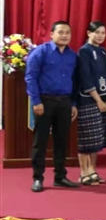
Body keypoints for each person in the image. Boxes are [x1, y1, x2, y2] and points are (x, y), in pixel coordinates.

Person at [25, 21, 79, 192]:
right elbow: (30, 77)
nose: (64, 35)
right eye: (61, 32)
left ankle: (60, 176)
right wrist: (36, 101)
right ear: (51, 34)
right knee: (40, 141)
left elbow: (75, 81)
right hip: (44, 102)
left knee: (61, 141)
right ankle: (37, 178)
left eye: (67, 32)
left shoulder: (72, 55)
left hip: (65, 102)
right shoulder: (40, 52)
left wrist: (73, 103)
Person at [76, 21, 106, 186]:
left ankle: (92, 170)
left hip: (103, 100)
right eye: (97, 32)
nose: (100, 36)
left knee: (97, 139)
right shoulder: (84, 51)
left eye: (103, 33)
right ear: (88, 33)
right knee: (86, 139)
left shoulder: (103, 51)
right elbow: (86, 78)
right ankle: (83, 173)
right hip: (88, 100)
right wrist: (98, 100)